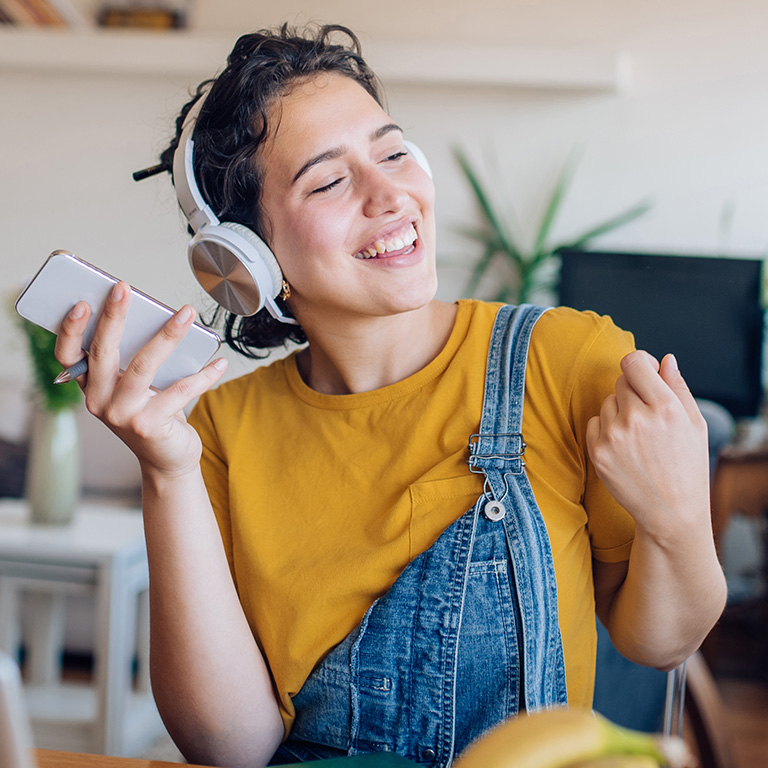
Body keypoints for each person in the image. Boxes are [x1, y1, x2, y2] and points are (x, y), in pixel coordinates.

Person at [54, 23, 727, 768]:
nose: (390, 194)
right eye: (329, 181)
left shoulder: (566, 360)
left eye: (393, 151)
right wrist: (166, 471)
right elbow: (231, 747)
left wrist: (677, 517)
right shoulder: (218, 432)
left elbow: (659, 641)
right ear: (246, 258)